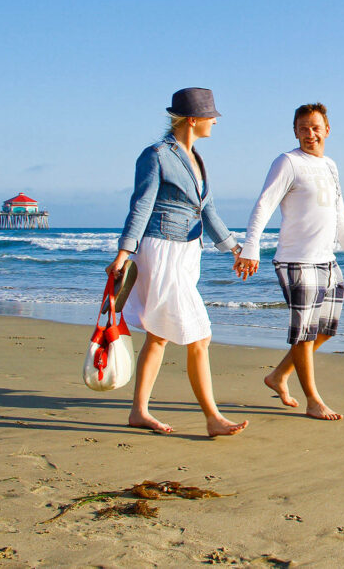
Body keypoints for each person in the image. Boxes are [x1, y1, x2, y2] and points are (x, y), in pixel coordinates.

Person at [106, 87, 248, 437]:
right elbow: (140, 206)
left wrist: (234, 248)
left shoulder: (197, 158)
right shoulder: (155, 155)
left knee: (158, 336)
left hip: (187, 253)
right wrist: (124, 253)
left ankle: (138, 411)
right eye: (211, 115)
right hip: (161, 250)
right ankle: (213, 417)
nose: (215, 121)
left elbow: (208, 210)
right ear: (193, 119)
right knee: (200, 336)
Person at [234, 102, 344, 421]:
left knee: (325, 330)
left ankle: (278, 376)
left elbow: (340, 216)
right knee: (304, 333)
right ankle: (313, 399)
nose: (310, 133)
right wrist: (251, 246)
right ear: (295, 131)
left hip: (328, 262)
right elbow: (264, 204)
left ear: (327, 129)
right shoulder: (287, 163)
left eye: (315, 127)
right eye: (303, 128)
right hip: (296, 261)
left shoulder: (331, 166)